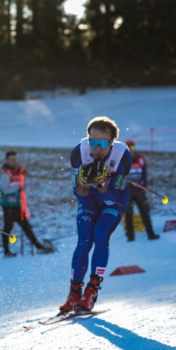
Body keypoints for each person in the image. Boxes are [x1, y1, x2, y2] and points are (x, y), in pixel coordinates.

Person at [60, 117, 132, 314]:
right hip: (90, 198)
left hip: (113, 199)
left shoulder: (122, 156)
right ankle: (74, 293)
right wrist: (83, 183)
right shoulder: (79, 152)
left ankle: (92, 290)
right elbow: (79, 194)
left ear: (112, 143)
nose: (97, 148)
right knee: (84, 241)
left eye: (103, 144)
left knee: (100, 234)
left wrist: (101, 184)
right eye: (93, 142)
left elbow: (112, 197)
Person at [0, 151, 54, 256]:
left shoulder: (16, 171)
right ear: (7, 160)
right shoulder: (6, 172)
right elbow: (5, 189)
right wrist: (18, 187)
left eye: (14, 159)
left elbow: (22, 180)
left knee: (26, 226)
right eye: (11, 160)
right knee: (8, 228)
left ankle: (38, 246)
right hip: (8, 205)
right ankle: (6, 251)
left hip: (17, 204)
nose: (13, 162)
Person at [123, 140, 160, 241]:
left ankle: (151, 234)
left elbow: (145, 175)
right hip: (127, 191)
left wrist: (144, 187)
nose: (130, 150)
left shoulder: (141, 159)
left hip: (139, 190)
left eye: (131, 147)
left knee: (145, 211)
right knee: (129, 212)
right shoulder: (121, 160)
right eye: (127, 148)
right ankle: (130, 236)